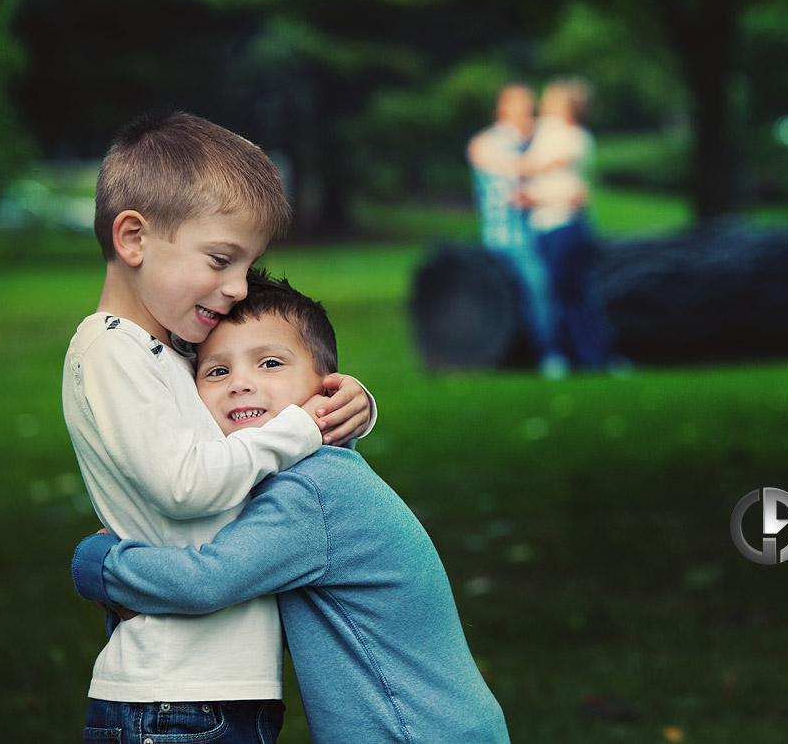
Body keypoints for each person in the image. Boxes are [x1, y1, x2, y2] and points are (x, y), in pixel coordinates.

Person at [72, 270, 511, 744]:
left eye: (270, 363)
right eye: (217, 371)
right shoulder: (323, 476)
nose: (241, 383)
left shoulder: (311, 493)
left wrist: (99, 564)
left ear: (328, 390)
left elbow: (209, 580)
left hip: (414, 731)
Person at [63, 111, 375, 743]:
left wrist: (349, 406)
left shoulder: (171, 353)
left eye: (248, 265)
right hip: (172, 695)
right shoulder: (109, 351)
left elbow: (248, 418)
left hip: (220, 690)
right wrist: (301, 428)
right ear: (134, 239)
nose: (237, 287)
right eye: (221, 259)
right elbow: (188, 484)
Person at [468, 83, 568, 378]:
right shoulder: (485, 142)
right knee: (522, 295)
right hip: (501, 237)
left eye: (528, 105)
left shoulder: (536, 140)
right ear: (502, 108)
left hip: (537, 235)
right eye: (519, 105)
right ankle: (542, 356)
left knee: (541, 294)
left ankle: (550, 355)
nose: (526, 111)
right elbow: (511, 171)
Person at [519, 77, 618, 370]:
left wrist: (494, 160)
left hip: (564, 225)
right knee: (560, 294)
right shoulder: (548, 133)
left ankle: (592, 355)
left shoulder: (572, 137)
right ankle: (575, 355)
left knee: (572, 293)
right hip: (547, 225)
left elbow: (551, 174)